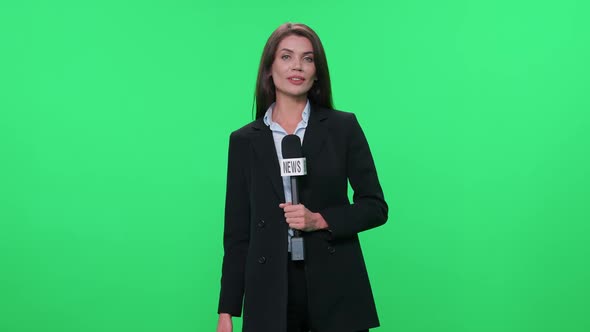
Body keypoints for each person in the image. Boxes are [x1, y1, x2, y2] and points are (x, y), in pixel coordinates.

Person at [217, 23, 388, 332]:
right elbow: (237, 232)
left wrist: (320, 220)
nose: (297, 66)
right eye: (286, 57)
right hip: (269, 288)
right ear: (269, 68)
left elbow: (375, 206)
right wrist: (227, 311)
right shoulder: (244, 140)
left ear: (317, 72)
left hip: (334, 283)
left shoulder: (342, 128)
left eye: (307, 59)